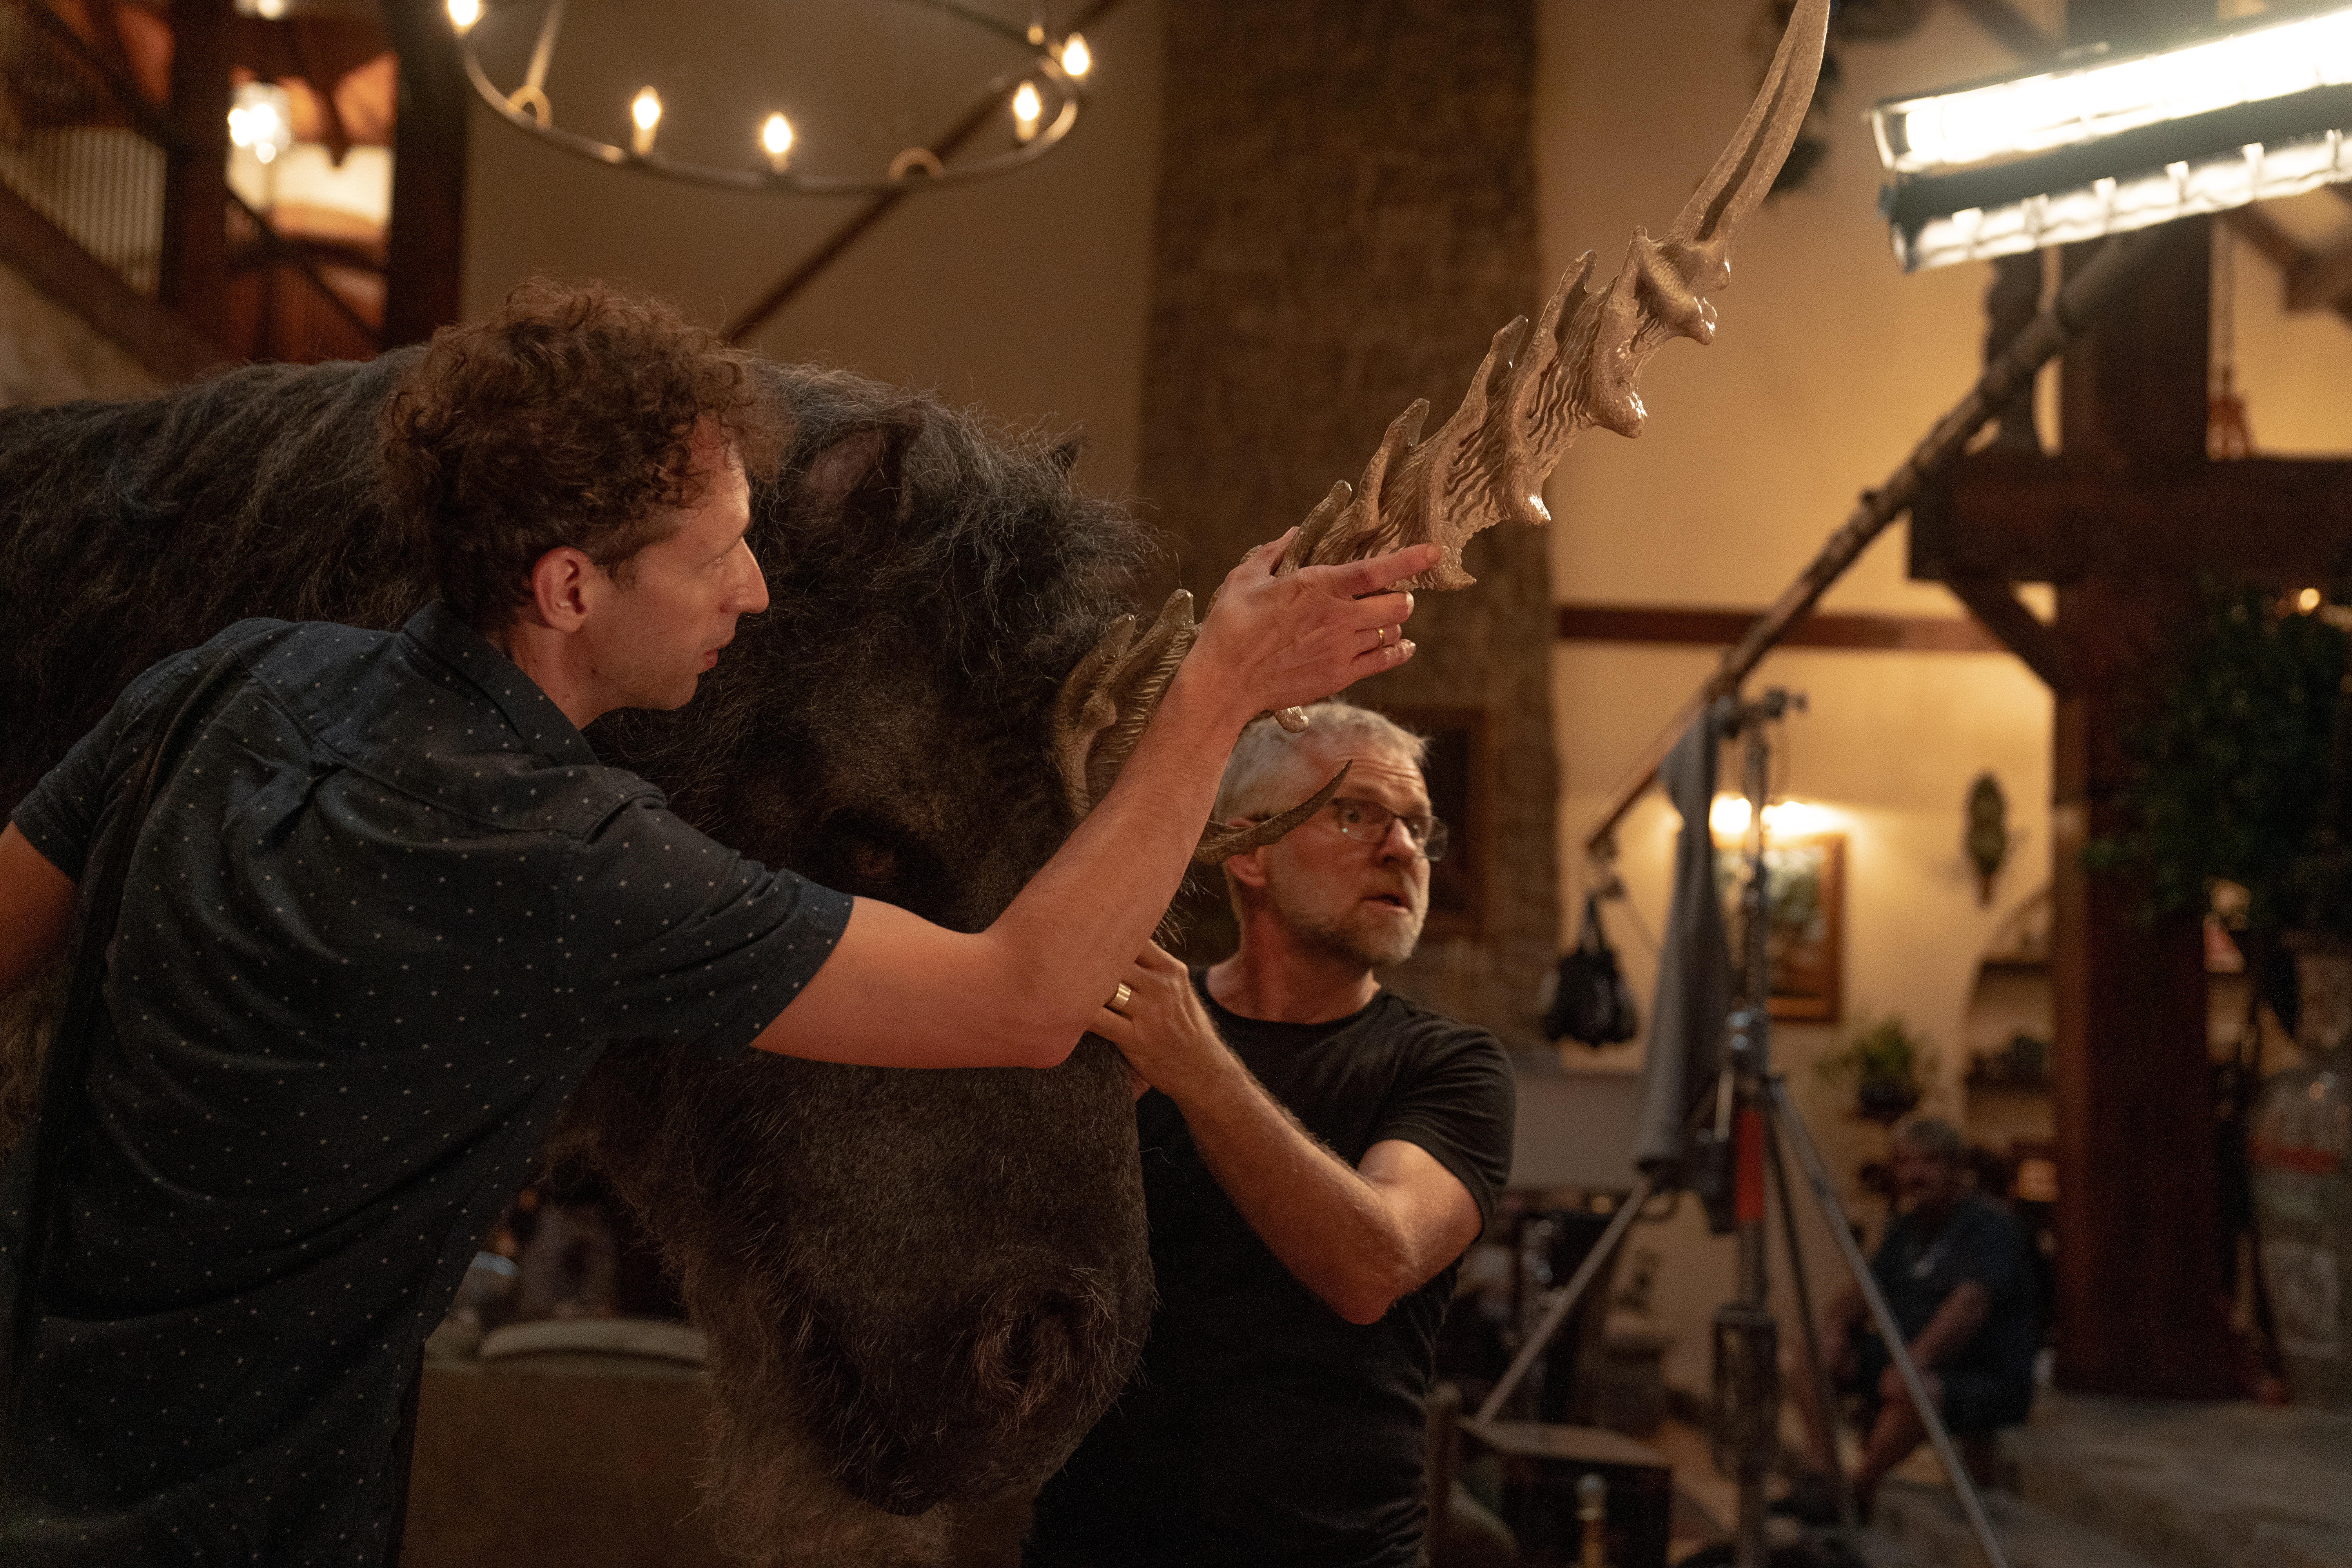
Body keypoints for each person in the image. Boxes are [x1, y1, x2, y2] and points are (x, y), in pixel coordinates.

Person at [0, 283, 1439, 1564]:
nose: (753, 592)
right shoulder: (570, 861)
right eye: (717, 556)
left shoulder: (228, 679)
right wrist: (1221, 690)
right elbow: (1020, 994)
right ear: (569, 585)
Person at [1025, 702, 1516, 1568]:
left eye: (1418, 826)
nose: (1403, 848)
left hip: (1335, 1550)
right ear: (1247, 850)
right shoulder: (1124, 1035)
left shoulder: (1451, 1066)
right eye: (1358, 813)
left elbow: (1375, 1264)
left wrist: (1194, 1065)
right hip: (1094, 1540)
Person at [1785, 1116, 2038, 1521]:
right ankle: (1823, 1471)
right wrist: (1834, 1328)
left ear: (1956, 1167)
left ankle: (1858, 1491)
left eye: (1928, 1162)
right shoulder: (1905, 1226)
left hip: (1976, 1373)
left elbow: (1969, 1305)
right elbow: (1865, 1289)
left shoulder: (1990, 1225)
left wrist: (1914, 1360)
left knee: (1916, 1389)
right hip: (1904, 1357)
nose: (1914, 1174)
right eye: (1905, 1163)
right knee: (1814, 1348)